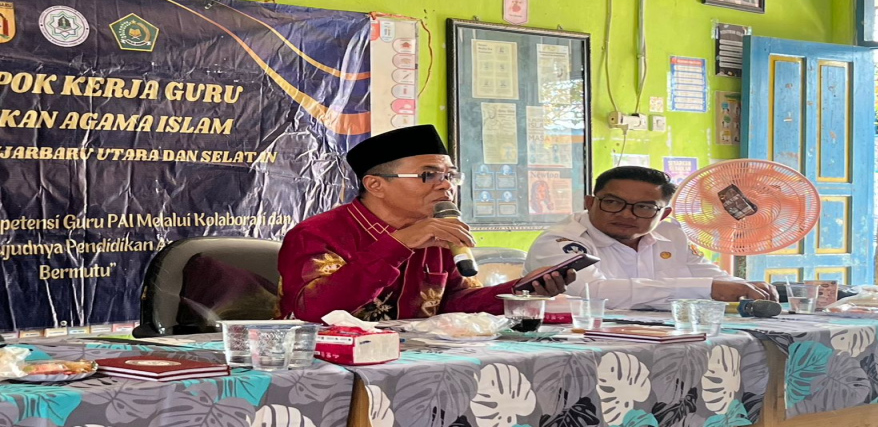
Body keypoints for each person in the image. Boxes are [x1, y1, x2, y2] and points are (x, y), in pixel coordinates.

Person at [278, 125, 572, 321]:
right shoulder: (318, 234)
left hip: (416, 362)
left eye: (450, 176)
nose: (446, 186)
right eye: (429, 175)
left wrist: (521, 291)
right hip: (330, 365)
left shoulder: (439, 232)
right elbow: (315, 312)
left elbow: (456, 303)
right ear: (376, 185)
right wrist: (398, 244)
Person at [524, 166, 777, 310]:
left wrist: (743, 287)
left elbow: (709, 275)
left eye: (644, 207)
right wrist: (708, 288)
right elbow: (594, 292)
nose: (626, 214)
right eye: (612, 202)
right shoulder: (561, 241)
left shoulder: (671, 234)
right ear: (590, 203)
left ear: (664, 214)